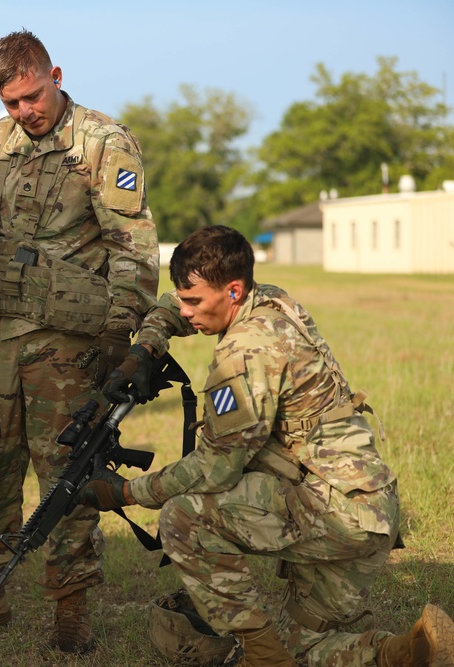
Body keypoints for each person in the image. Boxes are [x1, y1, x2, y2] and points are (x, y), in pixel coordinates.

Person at [80, 225, 454, 666]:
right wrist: (146, 347)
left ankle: (263, 661)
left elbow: (216, 468)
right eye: (184, 298)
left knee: (184, 517)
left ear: (233, 291)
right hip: (371, 513)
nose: (186, 311)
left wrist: (125, 492)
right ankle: (406, 653)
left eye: (194, 302)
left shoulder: (244, 355)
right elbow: (173, 306)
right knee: (304, 649)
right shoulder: (271, 300)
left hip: (332, 514)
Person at [0, 30, 159, 654]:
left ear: (55, 73)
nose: (26, 111)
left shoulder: (103, 143)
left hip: (66, 338)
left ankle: (71, 607)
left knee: (67, 472)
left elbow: (131, 246)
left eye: (33, 95)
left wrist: (119, 332)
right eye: (12, 102)